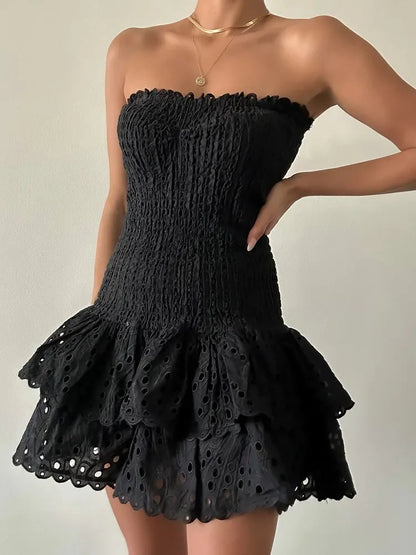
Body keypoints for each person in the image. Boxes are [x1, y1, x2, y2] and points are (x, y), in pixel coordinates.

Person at [12, 1, 416, 554]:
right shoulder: (133, 47)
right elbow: (119, 201)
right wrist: (102, 350)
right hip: (129, 349)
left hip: (235, 352)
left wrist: (299, 186)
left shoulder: (313, 44)